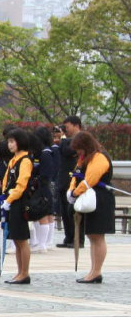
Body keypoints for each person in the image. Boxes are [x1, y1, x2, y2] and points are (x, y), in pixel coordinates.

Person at [68, 131, 115, 283]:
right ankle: (92, 270)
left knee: (98, 235)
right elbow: (76, 175)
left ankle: (96, 271)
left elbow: (90, 180)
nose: (78, 152)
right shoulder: (84, 158)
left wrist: (75, 192)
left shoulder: (100, 157)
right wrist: (71, 190)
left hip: (100, 199)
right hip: (89, 199)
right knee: (91, 236)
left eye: (79, 149)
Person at [0, 128, 34, 285]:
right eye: (9, 142)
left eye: (12, 141)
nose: (10, 144)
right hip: (11, 201)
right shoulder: (13, 160)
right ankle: (19, 271)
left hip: (19, 202)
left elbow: (21, 184)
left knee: (21, 239)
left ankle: (24, 273)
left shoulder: (25, 160)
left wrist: (10, 198)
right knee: (16, 240)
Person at [56, 115, 83, 248]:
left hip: (74, 179)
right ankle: (69, 237)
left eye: (67, 127)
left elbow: (68, 151)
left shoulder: (82, 139)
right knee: (64, 211)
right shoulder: (66, 140)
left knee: (73, 211)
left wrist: (62, 138)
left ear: (76, 125)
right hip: (63, 178)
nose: (65, 129)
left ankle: (78, 239)